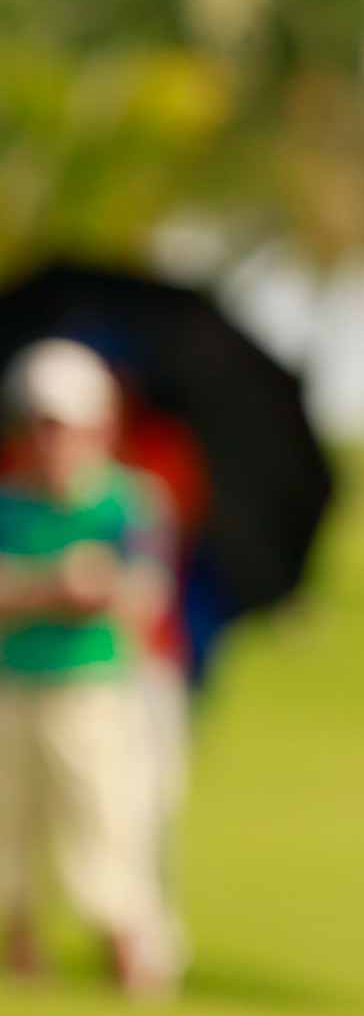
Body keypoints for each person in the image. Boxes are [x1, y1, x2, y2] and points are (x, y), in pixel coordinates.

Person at [0, 338, 178, 998]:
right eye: (40, 425)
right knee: (10, 833)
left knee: (106, 827)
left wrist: (101, 589)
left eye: (64, 427)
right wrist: (56, 587)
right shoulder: (8, 505)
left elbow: (145, 594)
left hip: (94, 689)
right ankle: (20, 948)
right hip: (12, 684)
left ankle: (130, 953)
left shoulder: (130, 502)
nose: (52, 442)